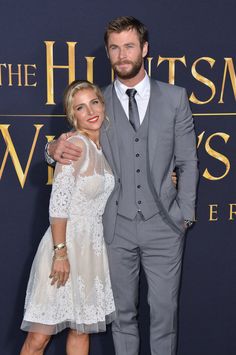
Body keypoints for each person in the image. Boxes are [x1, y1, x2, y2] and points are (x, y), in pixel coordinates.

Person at [46, 16, 198, 355]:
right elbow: (72, 142)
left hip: (165, 227)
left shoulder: (175, 98)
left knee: (164, 316)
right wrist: (51, 149)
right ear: (108, 53)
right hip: (115, 229)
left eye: (129, 46)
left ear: (144, 49)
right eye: (114, 48)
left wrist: (184, 216)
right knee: (122, 317)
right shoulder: (98, 104)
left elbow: (188, 162)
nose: (122, 54)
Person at [20, 80, 116, 355]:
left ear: (103, 104)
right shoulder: (75, 145)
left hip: (92, 251)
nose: (91, 111)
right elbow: (58, 205)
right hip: (65, 248)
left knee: (80, 331)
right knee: (39, 338)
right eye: (81, 108)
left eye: (94, 103)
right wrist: (60, 253)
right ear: (74, 116)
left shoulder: (102, 148)